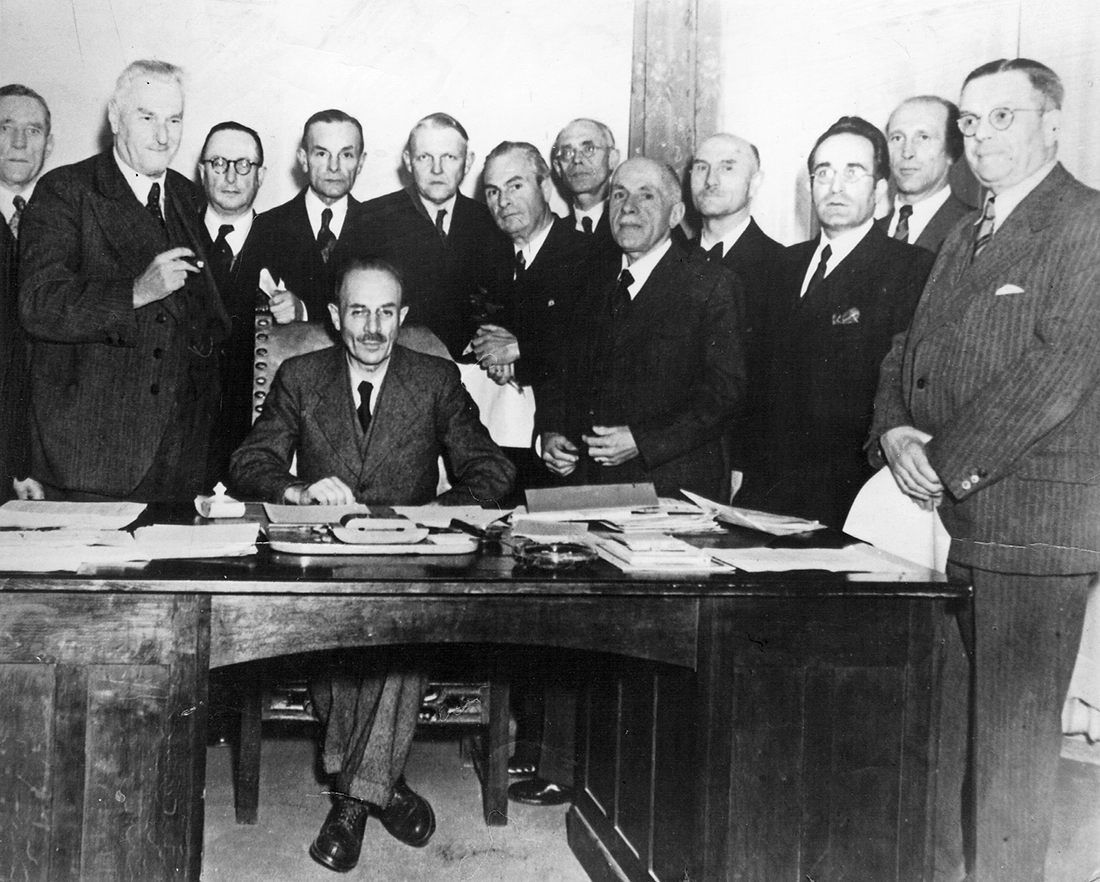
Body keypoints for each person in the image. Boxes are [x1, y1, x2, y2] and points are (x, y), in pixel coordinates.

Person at [870, 58, 1100, 882]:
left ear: (1051, 123)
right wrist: (893, 429)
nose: (980, 137)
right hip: (952, 515)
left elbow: (1058, 369)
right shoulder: (968, 229)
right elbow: (908, 346)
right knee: (944, 739)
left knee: (1009, 756)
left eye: (1003, 117)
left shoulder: (1086, 222)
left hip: (1033, 526)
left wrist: (942, 462)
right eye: (969, 122)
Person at [230, 256, 513, 872]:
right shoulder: (301, 377)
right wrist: (300, 491)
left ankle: (352, 803)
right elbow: (249, 464)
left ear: (402, 317)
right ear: (335, 317)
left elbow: (492, 470)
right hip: (322, 572)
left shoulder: (435, 379)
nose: (373, 327)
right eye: (359, 311)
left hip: (408, 566)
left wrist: (430, 515)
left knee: (401, 635)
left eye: (386, 312)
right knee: (349, 639)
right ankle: (381, 789)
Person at [18, 60, 229, 502]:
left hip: (178, 460)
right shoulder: (67, 190)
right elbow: (39, 304)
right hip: (90, 458)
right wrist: (136, 292)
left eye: (174, 120)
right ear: (115, 117)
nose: (163, 136)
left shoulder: (188, 197)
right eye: (147, 117)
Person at [737, 116, 934, 527]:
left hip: (852, 501)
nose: (835, 186)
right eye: (823, 173)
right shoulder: (779, 266)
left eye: (853, 172)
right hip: (765, 498)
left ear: (881, 190)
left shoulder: (911, 269)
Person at [538, 156, 745, 501]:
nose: (628, 208)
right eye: (619, 195)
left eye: (646, 196)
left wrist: (642, 441)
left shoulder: (710, 285)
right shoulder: (587, 282)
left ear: (676, 214)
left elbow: (725, 394)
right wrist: (551, 430)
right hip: (588, 489)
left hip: (672, 491)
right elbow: (562, 372)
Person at [338, 112, 510, 360]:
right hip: (397, 366)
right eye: (424, 157)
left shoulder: (492, 221)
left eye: (449, 157)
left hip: (479, 368)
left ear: (468, 162)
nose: (437, 169)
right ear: (408, 161)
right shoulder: (370, 218)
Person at [687, 133, 784, 488]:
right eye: (701, 167)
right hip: (669, 460)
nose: (711, 180)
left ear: (754, 182)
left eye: (728, 167)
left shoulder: (782, 267)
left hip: (743, 466)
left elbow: (771, 385)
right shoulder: (669, 261)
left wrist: (743, 462)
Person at [198, 121, 268, 483]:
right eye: (218, 163)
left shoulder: (285, 240)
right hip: (183, 437)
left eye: (243, 165)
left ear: (261, 175)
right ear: (202, 171)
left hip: (255, 433)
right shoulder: (173, 234)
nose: (230, 176)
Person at [249, 109, 364, 324]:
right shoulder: (264, 227)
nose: (334, 166)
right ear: (303, 159)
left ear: (360, 162)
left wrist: (304, 311)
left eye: (346, 154)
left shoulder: (382, 229)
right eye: (321, 153)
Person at [0, 83, 52, 501]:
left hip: (55, 456)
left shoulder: (71, 220)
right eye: (5, 127)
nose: (19, 142)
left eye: (32, 130)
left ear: (49, 145)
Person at [879, 96, 974, 253]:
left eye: (923, 137)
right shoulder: (866, 234)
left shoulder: (973, 229)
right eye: (897, 138)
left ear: (951, 151)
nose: (907, 152)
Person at [551, 118, 620, 251]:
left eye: (589, 149)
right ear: (558, 168)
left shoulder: (626, 225)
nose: (577, 159)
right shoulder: (554, 236)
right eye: (567, 153)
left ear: (612, 159)